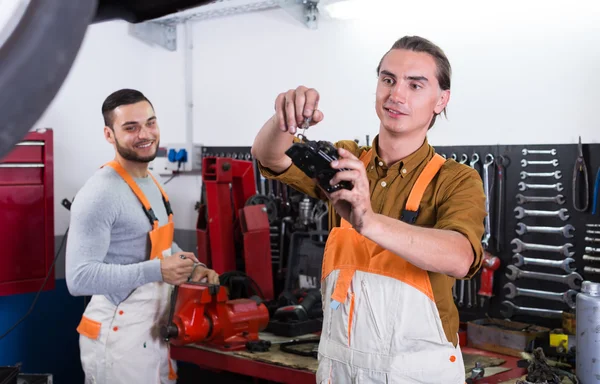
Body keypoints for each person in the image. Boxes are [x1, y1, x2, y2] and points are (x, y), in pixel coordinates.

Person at [251, 36, 486, 383]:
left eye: (415, 84)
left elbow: (460, 257)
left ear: (441, 100)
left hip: (417, 373)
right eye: (388, 79)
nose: (396, 95)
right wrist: (284, 119)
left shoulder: (456, 180)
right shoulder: (345, 161)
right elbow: (269, 156)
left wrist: (369, 221)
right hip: (340, 368)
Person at [65, 89, 219, 384]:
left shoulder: (150, 181)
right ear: (109, 135)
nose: (145, 134)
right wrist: (159, 270)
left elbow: (157, 246)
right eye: (131, 127)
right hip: (118, 338)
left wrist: (191, 267)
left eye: (150, 123)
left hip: (154, 330)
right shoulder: (100, 193)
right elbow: (79, 278)